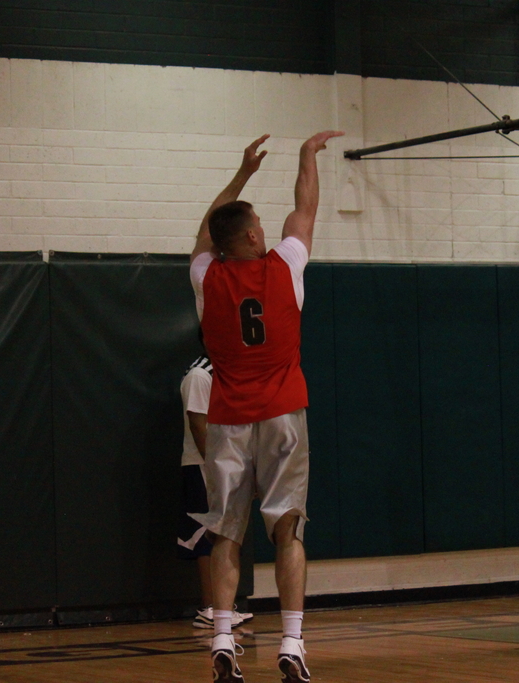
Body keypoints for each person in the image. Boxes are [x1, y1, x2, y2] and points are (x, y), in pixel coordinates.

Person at [189, 130, 343, 683]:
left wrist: (242, 175)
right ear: (255, 234)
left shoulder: (206, 278)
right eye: (257, 221)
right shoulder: (285, 267)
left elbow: (206, 232)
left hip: (230, 418)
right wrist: (306, 156)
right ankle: (292, 643)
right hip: (282, 414)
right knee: (288, 530)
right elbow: (305, 208)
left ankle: (222, 638)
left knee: (227, 533)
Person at [176, 351, 253, 630]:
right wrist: (215, 466)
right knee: (205, 534)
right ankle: (211, 608)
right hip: (203, 466)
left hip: (229, 464)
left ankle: (223, 607)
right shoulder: (199, 374)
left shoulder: (229, 369)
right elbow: (198, 424)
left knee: (226, 532)